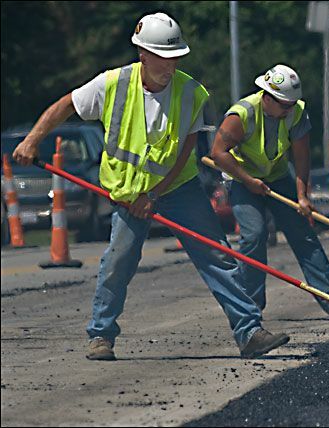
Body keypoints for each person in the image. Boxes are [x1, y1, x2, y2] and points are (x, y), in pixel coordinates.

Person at [12, 12, 289, 360]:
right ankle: (101, 335)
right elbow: (66, 105)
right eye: (163, 57)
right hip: (128, 193)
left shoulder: (192, 93)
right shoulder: (112, 84)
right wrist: (32, 141)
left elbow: (183, 154)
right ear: (143, 54)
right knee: (119, 260)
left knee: (215, 254)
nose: (170, 66)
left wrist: (155, 195)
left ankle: (249, 331)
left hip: (177, 187)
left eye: (176, 58)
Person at [211, 64, 329, 319]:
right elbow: (217, 153)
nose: (288, 110)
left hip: (279, 175)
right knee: (254, 235)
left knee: (302, 231)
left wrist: (303, 196)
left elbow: (301, 157)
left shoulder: (296, 113)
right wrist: (248, 181)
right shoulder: (241, 115)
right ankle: (249, 307)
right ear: (266, 97)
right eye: (284, 105)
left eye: (292, 104)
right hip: (241, 179)